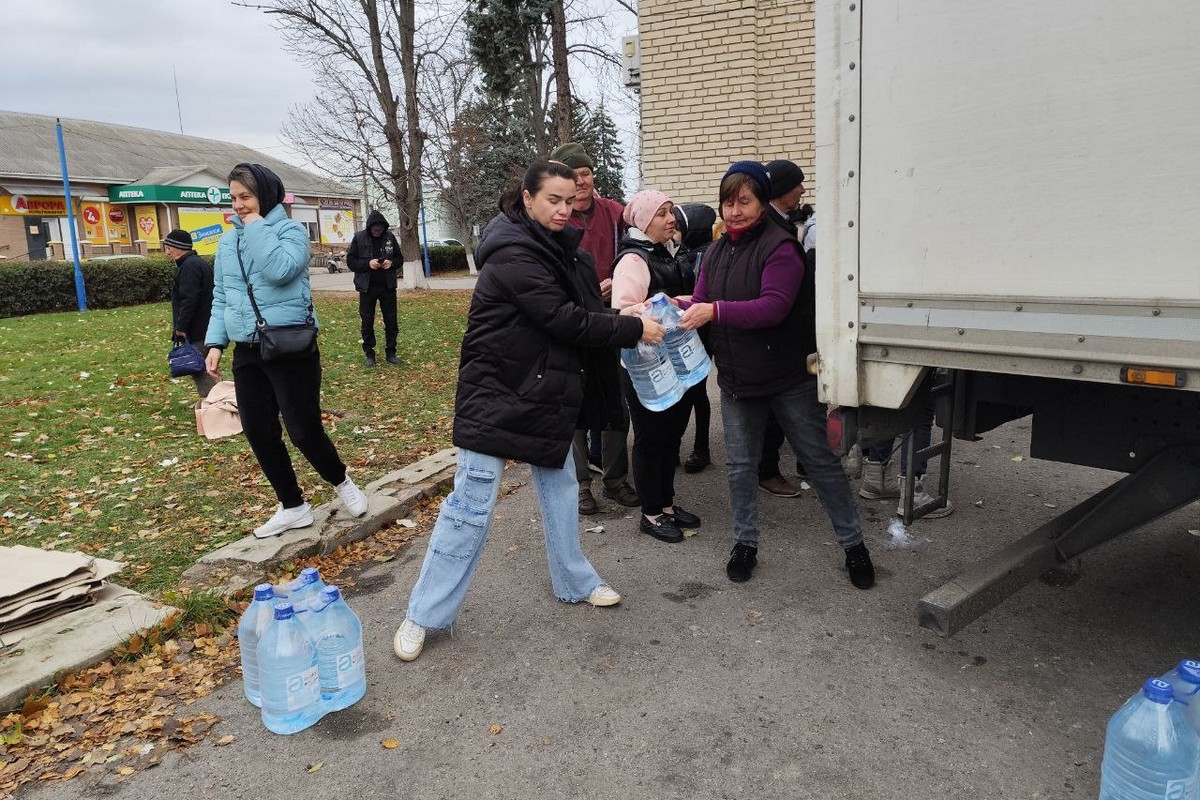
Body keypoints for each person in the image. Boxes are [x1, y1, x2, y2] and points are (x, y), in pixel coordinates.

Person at [392, 159, 665, 663]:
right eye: (552, 200)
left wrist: (628, 315)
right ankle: (423, 614)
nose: (564, 209)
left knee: (560, 488)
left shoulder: (563, 250)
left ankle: (573, 580)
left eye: (570, 199)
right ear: (528, 200)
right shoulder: (515, 254)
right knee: (470, 507)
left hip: (544, 393)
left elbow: (585, 314)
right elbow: (564, 320)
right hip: (496, 394)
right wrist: (630, 330)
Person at [679, 161, 875, 589]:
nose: (734, 211)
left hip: (788, 378)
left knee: (822, 464)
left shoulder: (780, 247)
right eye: (727, 203)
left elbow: (774, 307)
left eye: (744, 201)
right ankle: (745, 543)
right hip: (736, 381)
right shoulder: (714, 252)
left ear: (763, 201)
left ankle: (854, 546)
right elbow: (701, 299)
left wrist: (713, 310)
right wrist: (673, 304)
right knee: (740, 467)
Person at [203, 163, 368, 539]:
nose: (239, 205)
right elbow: (222, 296)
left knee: (303, 430)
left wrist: (256, 226)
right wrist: (215, 342)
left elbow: (279, 269)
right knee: (259, 431)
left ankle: (341, 481)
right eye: (233, 198)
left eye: (246, 197)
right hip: (247, 347)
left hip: (289, 345)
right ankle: (292, 505)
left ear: (266, 195)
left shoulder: (292, 232)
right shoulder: (228, 242)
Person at [549, 141, 639, 514]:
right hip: (572, 319)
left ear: (592, 176)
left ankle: (615, 480)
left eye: (585, 173)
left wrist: (617, 279)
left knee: (616, 401)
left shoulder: (613, 212)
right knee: (574, 406)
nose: (580, 181)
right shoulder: (556, 218)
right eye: (572, 175)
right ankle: (580, 485)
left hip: (610, 318)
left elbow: (640, 231)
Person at [610, 189, 703, 543]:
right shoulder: (634, 260)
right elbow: (624, 311)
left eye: (670, 212)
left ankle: (666, 505)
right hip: (645, 367)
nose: (671, 219)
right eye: (663, 214)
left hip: (672, 359)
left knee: (670, 435)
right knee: (651, 437)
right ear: (645, 221)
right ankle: (650, 513)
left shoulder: (663, 252)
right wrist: (665, 304)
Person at [756, 159, 810, 498]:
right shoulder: (772, 230)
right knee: (771, 412)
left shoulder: (784, 224)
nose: (803, 190)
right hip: (772, 337)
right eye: (798, 184)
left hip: (780, 334)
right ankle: (766, 470)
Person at [672, 202, 718, 473]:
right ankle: (680, 445)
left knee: (696, 392)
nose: (673, 231)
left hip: (702, 332)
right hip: (687, 331)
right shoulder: (685, 252)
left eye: (678, 226)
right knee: (686, 392)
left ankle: (701, 448)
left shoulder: (706, 256)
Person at [346, 210, 401, 367]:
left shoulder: (389, 237)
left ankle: (391, 352)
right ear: (369, 228)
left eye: (380, 230)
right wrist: (368, 264)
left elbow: (399, 258)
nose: (377, 232)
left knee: (391, 321)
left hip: (388, 287)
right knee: (367, 322)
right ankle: (369, 353)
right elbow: (350, 261)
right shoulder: (359, 238)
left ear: (384, 228)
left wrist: (392, 263)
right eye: (375, 230)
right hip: (366, 288)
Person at [165, 228, 216, 398]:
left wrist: (181, 327)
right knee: (208, 367)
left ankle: (213, 406)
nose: (167, 252)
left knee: (200, 369)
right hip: (206, 326)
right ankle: (218, 402)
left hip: (197, 329)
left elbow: (189, 299)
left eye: (169, 247)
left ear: (178, 247)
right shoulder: (196, 263)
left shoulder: (190, 266)